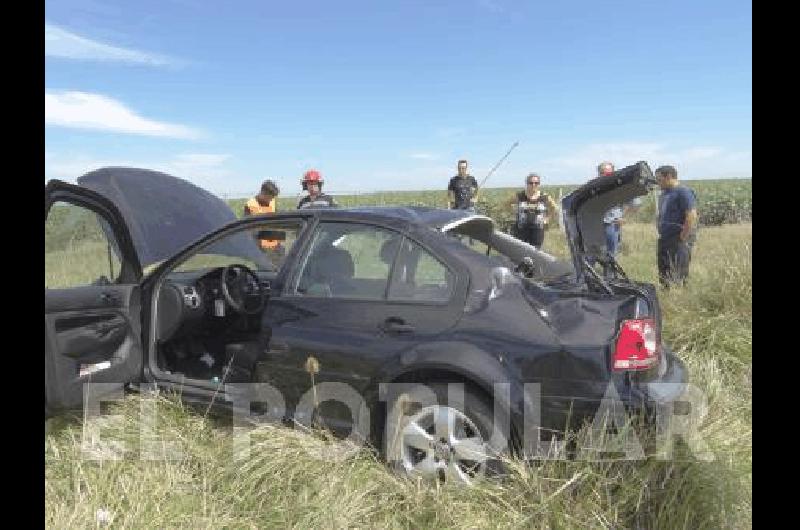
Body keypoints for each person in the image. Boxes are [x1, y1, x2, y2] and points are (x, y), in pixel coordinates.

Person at [655, 165, 697, 288]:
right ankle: (666, 293)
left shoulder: (683, 192)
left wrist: (683, 236)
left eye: (659, 179)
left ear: (669, 177)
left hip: (678, 237)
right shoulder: (664, 193)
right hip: (665, 237)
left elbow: (691, 215)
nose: (658, 183)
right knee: (664, 269)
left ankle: (679, 296)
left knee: (679, 270)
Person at [506, 173, 558, 249]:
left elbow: (554, 208)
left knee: (535, 252)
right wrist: (514, 213)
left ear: (539, 184)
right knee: (519, 250)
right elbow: (506, 204)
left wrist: (547, 219)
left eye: (536, 183)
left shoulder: (544, 197)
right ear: (527, 183)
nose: (533, 185)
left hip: (537, 229)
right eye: (531, 183)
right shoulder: (520, 195)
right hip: (521, 229)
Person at [244, 179, 282, 252]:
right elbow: (247, 229)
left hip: (274, 242)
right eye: (270, 197)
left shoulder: (272, 202)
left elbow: (276, 221)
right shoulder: (250, 205)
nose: (271, 200)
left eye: (273, 198)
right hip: (258, 245)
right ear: (263, 193)